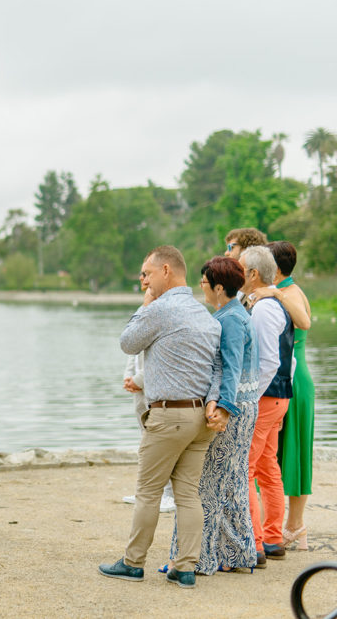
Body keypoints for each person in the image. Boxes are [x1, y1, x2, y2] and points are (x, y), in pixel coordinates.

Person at [98, 246, 220, 590]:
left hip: (169, 417)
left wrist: (145, 304)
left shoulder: (160, 309)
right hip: (200, 417)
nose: (144, 281)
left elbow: (127, 343)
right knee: (188, 494)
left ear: (166, 270)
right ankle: (185, 568)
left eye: (147, 274)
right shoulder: (204, 314)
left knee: (148, 492)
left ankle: (133, 562)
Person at [166, 257, 259, 574]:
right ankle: (237, 554)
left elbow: (231, 368)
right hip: (246, 404)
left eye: (204, 282)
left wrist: (222, 408)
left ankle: (198, 558)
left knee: (207, 484)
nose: (201, 288)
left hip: (233, 407)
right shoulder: (236, 314)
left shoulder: (230, 320)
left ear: (219, 287)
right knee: (232, 482)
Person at [240, 245, 293, 565]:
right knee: (268, 468)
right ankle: (272, 538)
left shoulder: (261, 308)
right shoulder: (277, 305)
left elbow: (268, 361)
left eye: (241, 269)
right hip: (280, 395)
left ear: (253, 274)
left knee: (245, 469)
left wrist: (250, 398)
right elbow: (291, 358)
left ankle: (254, 542)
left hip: (265, 397)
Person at [265, 241, 315, 552]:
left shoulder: (289, 293)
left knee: (293, 453)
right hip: (286, 375)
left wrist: (277, 294)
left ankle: (295, 526)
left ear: (277, 268)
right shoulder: (279, 291)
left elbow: (305, 323)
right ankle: (288, 526)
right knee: (276, 453)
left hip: (293, 379)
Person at [121, 269, 175, 513]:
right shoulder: (145, 311)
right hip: (140, 389)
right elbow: (133, 347)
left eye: (146, 275)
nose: (142, 279)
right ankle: (147, 491)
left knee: (162, 444)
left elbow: (165, 356)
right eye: (140, 274)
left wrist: (139, 379)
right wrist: (129, 376)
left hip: (158, 389)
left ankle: (168, 494)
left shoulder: (166, 311)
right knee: (144, 440)